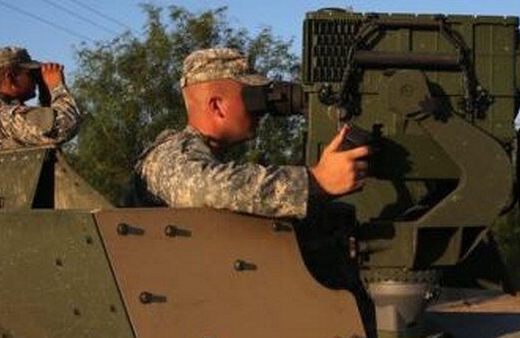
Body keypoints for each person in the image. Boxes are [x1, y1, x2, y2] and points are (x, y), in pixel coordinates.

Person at [133, 48, 368, 218]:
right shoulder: (169, 156)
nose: (261, 109)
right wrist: (315, 182)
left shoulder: (201, 154)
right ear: (217, 106)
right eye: (251, 97)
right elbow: (205, 189)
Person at [0, 46, 82, 157]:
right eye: (31, 74)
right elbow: (63, 125)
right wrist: (57, 87)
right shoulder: (6, 118)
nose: (36, 80)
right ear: (11, 78)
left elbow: (41, 138)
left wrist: (45, 94)